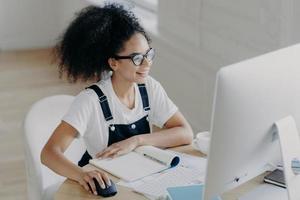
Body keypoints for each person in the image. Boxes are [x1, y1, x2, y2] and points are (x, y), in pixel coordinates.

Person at [41, 3, 193, 196]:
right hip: (102, 189)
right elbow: (49, 153)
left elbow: (185, 132)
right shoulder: (90, 101)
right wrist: (82, 175)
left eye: (149, 55)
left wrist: (136, 141)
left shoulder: (149, 87)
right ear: (114, 63)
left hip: (139, 181)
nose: (147, 64)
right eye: (137, 58)